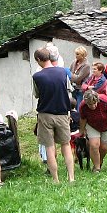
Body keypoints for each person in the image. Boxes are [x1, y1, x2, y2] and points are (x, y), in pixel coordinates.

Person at [32, 47, 75, 183]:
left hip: (45, 114)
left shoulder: (37, 76)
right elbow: (69, 90)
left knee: (49, 147)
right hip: (62, 113)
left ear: (39, 60)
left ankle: (56, 179)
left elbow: (37, 94)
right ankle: (71, 178)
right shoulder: (63, 72)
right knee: (66, 145)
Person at [78, 89, 107, 172]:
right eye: (90, 105)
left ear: (97, 100)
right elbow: (83, 118)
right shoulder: (83, 106)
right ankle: (96, 168)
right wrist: (81, 130)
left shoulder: (105, 102)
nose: (93, 106)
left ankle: (100, 161)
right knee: (94, 145)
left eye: (94, 104)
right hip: (92, 125)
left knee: (103, 148)